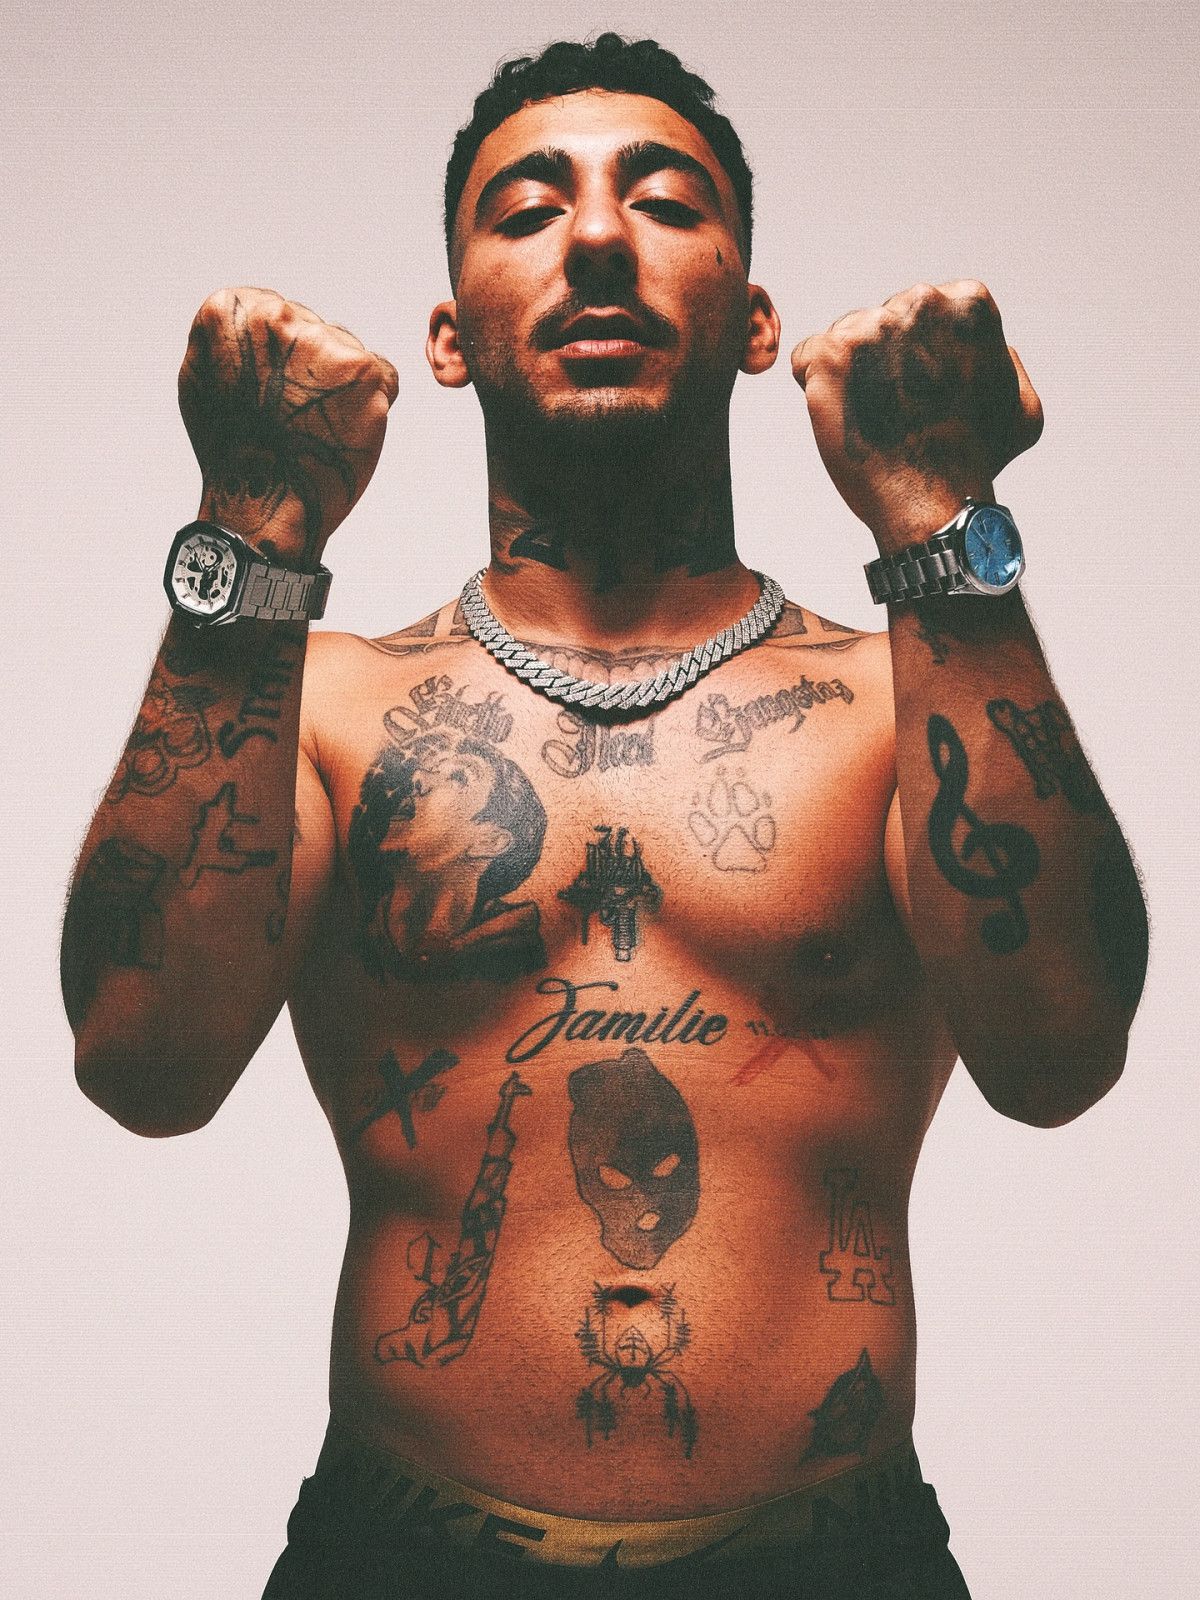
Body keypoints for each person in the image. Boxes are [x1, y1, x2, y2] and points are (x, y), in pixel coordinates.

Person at [60, 31, 1148, 1600]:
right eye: (525, 209)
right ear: (449, 337)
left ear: (755, 318)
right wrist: (254, 527)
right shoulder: (333, 709)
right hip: (402, 1553)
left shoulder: (890, 704)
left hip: (833, 1558)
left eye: (663, 200)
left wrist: (938, 517)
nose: (592, 238)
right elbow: (140, 1064)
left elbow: (1063, 1054)